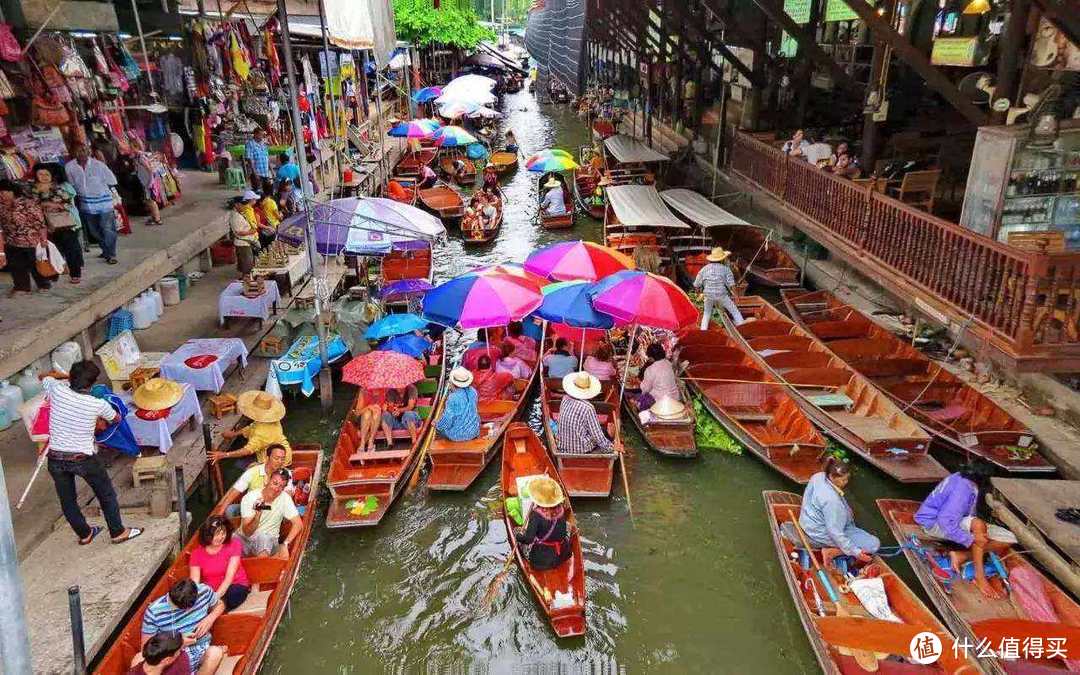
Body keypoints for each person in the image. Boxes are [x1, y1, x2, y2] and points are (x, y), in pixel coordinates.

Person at [40, 361, 142, 545]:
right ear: (92, 384)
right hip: (82, 458)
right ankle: (118, 532)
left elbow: (44, 376)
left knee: (68, 500)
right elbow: (116, 418)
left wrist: (65, 377)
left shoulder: (56, 390)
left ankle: (85, 534)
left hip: (55, 458)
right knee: (106, 494)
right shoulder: (97, 404)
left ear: (71, 377)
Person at [914, 463, 1017, 599]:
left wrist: (976, 534)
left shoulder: (964, 477)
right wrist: (968, 539)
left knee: (1009, 538)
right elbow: (945, 520)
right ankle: (979, 577)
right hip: (933, 523)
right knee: (978, 527)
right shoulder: (963, 487)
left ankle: (962, 555)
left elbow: (966, 514)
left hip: (953, 520)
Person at [799, 457, 880, 562]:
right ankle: (832, 552)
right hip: (819, 532)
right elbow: (834, 532)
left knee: (849, 515)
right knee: (874, 544)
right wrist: (856, 552)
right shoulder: (832, 501)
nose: (846, 482)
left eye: (847, 478)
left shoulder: (818, 476)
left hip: (807, 522)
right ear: (831, 476)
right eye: (843, 480)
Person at [140, 580, 226, 675]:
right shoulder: (154, 611)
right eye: (181, 609)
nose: (187, 611)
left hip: (200, 647)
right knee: (138, 658)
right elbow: (146, 648)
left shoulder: (204, 590)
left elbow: (220, 605)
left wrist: (210, 618)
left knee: (215, 653)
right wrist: (179, 643)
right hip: (171, 655)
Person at [65, 143, 119, 264]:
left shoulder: (98, 165)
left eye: (84, 150)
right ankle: (105, 249)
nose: (82, 153)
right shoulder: (70, 167)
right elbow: (71, 185)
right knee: (94, 231)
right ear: (73, 152)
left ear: (89, 151)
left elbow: (112, 181)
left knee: (108, 229)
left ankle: (111, 254)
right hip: (86, 204)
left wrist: (99, 190)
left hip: (104, 203)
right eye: (79, 150)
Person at [209, 391, 291, 466]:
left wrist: (223, 455)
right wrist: (234, 434)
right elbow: (252, 427)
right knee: (241, 462)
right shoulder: (271, 419)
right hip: (277, 449)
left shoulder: (261, 434)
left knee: (241, 465)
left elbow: (247, 450)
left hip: (276, 460)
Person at [34, 163, 83, 285]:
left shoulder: (58, 189)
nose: (44, 177)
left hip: (62, 224)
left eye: (47, 174)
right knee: (50, 250)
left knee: (70, 249)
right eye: (41, 174)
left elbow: (69, 204)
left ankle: (75, 273)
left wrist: (52, 205)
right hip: (43, 226)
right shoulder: (33, 189)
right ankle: (53, 273)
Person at [1, 180, 52, 296]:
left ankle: (43, 284)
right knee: (16, 265)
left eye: (3, 193)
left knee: (35, 264)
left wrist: (43, 239)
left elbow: (40, 222)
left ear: (12, 192)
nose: (2, 196)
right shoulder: (2, 206)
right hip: (11, 240)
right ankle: (22, 287)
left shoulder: (28, 204)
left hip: (31, 240)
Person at [189, 516, 251, 611]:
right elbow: (195, 583)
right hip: (211, 589)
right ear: (207, 535)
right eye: (217, 534)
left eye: (223, 533)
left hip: (235, 585)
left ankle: (212, 614)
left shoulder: (234, 544)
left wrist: (214, 598)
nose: (221, 537)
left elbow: (229, 578)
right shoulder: (196, 554)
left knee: (228, 597)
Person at [239, 468, 302, 558]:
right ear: (268, 480)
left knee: (263, 537)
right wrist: (257, 516)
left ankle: (263, 566)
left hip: (269, 540)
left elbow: (298, 524)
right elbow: (247, 532)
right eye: (275, 483)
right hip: (246, 537)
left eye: (281, 486)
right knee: (234, 540)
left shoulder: (285, 498)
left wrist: (285, 544)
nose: (277, 489)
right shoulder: (250, 497)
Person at [514, 475, 573, 570]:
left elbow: (529, 539)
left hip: (542, 561)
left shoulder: (536, 514)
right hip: (564, 554)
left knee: (516, 530)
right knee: (568, 525)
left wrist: (518, 536)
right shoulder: (561, 508)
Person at [215, 443, 291, 516]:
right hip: (251, 508)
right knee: (230, 510)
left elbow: (287, 496)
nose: (280, 462)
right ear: (267, 458)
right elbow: (234, 492)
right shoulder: (252, 472)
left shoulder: (286, 473)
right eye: (276, 458)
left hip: (274, 510)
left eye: (282, 459)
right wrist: (219, 514)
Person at [556, 371, 616, 455]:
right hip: (581, 449)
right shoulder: (588, 408)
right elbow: (597, 435)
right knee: (604, 431)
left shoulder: (565, 399)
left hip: (562, 445)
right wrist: (612, 448)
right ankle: (608, 445)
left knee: (598, 430)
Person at [694, 247, 744, 329]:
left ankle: (703, 331)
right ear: (722, 260)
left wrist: (699, 294)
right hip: (721, 295)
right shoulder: (726, 269)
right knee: (735, 312)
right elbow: (732, 285)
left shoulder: (704, 269)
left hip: (708, 295)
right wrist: (736, 296)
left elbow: (696, 285)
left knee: (707, 314)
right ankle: (743, 328)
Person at [435, 368, 480, 442]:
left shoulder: (452, 398)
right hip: (473, 431)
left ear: (454, 383)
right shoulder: (473, 391)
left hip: (457, 435)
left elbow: (447, 422)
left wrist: (437, 424)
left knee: (439, 429)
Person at [637, 342, 680, 411]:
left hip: (661, 402)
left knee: (641, 398)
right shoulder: (668, 364)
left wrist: (640, 383)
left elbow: (645, 389)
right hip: (675, 398)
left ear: (651, 357)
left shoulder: (650, 370)